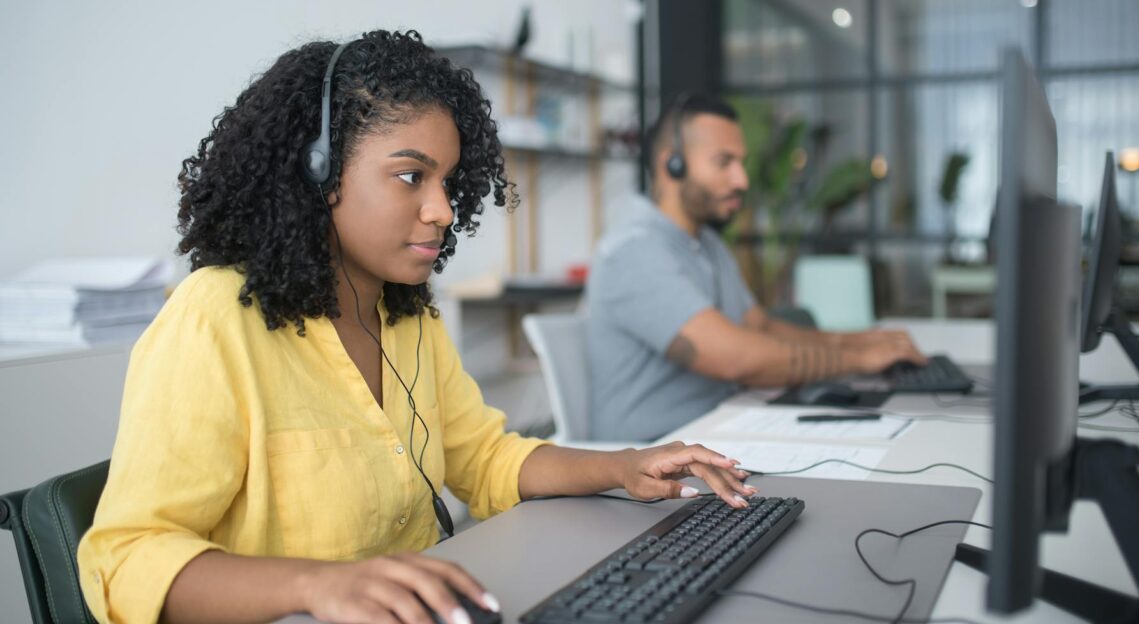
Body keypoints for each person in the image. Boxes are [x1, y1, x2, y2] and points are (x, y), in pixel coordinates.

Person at [77, 32, 754, 624]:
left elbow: (484, 460)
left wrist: (624, 466)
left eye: (448, 183)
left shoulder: (406, 316)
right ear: (318, 173)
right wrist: (321, 586)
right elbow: (129, 556)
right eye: (410, 177)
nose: (441, 211)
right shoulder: (214, 319)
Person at [586, 94, 927, 441]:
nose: (741, 181)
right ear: (671, 164)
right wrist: (857, 360)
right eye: (724, 162)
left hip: (720, 430)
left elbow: (759, 326)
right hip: (654, 460)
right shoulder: (633, 251)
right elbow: (737, 359)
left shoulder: (706, 243)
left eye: (740, 163)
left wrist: (857, 341)